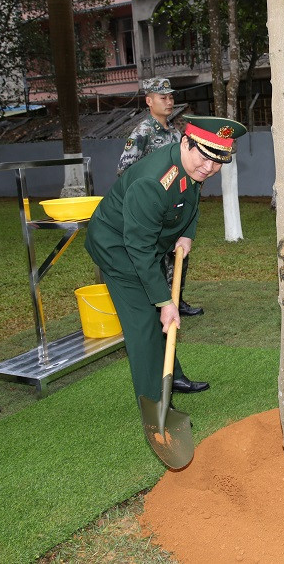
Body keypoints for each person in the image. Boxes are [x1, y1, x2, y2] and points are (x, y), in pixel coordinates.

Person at [85, 115, 246, 404]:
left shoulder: (191, 167)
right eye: (204, 157)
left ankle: (173, 375)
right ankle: (156, 402)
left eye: (217, 160)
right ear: (186, 142)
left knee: (159, 316)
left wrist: (187, 234)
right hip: (119, 249)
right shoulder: (153, 182)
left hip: (145, 243)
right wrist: (164, 301)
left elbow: (192, 198)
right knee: (144, 324)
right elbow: (139, 250)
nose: (209, 168)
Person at [118, 77, 203, 317]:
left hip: (176, 205)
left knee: (178, 255)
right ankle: (159, 303)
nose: (169, 102)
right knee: (154, 258)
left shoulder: (176, 133)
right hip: (152, 207)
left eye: (171, 97)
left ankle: (177, 299)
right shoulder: (142, 133)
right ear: (149, 101)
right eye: (162, 97)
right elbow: (125, 171)